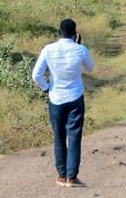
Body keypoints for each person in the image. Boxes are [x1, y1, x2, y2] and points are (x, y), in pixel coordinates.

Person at [32, 18, 94, 187]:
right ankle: (72, 177)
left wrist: (46, 88)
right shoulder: (80, 50)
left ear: (59, 32)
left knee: (59, 137)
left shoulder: (48, 49)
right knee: (74, 137)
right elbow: (90, 68)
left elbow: (36, 75)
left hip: (55, 98)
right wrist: (79, 45)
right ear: (75, 33)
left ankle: (61, 175)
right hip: (75, 97)